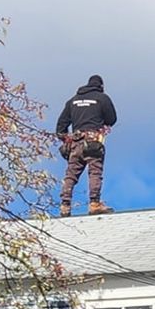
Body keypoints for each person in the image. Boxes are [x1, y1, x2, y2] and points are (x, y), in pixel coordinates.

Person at [55, 73, 117, 215]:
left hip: (75, 143)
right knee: (95, 171)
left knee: (71, 174)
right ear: (101, 86)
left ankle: (65, 205)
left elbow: (60, 127)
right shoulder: (102, 98)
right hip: (93, 142)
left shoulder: (72, 101)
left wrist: (67, 139)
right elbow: (112, 119)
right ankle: (94, 204)